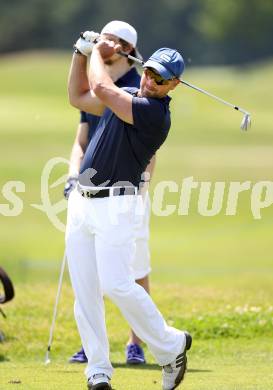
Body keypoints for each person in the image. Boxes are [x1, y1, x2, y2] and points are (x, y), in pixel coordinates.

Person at [67, 30, 192, 390]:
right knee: (86, 291)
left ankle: (171, 345)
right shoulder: (129, 97)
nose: (151, 81)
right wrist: (81, 52)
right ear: (144, 69)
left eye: (161, 78)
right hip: (82, 203)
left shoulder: (153, 113)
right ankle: (98, 370)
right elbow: (78, 96)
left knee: (117, 284)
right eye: (150, 72)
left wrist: (98, 52)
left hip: (117, 205)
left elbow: (103, 89)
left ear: (174, 85)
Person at [64, 20, 154, 366]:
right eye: (102, 37)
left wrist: (141, 188)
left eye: (112, 41)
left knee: (134, 270)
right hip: (89, 193)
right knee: (90, 272)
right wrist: (75, 174)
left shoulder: (135, 88)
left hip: (127, 192)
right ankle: (93, 345)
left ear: (126, 50)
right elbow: (81, 132)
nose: (103, 43)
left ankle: (137, 343)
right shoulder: (95, 85)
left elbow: (148, 152)